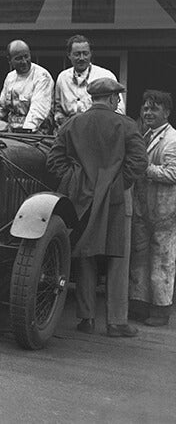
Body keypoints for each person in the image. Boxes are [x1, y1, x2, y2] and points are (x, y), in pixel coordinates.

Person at [47, 78, 147, 338]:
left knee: (86, 257)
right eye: (117, 97)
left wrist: (75, 181)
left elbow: (54, 159)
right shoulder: (126, 125)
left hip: (81, 200)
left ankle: (86, 319)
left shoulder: (73, 123)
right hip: (115, 200)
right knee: (118, 260)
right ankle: (116, 322)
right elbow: (138, 162)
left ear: (93, 98)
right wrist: (117, 185)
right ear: (113, 98)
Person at [129, 91, 176, 327]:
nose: (148, 113)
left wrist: (145, 168)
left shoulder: (172, 139)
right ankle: (138, 304)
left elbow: (173, 173)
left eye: (154, 109)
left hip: (164, 210)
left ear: (166, 112)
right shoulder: (144, 135)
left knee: (162, 259)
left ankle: (160, 309)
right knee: (139, 257)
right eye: (145, 108)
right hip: (142, 207)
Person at [53, 35, 124, 126]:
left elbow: (120, 111)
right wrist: (62, 121)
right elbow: (58, 109)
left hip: (99, 129)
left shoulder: (106, 76)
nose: (82, 58)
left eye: (85, 53)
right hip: (70, 131)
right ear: (69, 55)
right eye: (77, 54)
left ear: (91, 54)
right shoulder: (62, 78)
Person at [0, 40, 53, 132]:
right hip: (12, 131)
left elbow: (38, 110)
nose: (24, 61)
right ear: (9, 60)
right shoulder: (10, 77)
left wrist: (26, 130)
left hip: (36, 133)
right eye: (18, 58)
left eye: (26, 56)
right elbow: (1, 106)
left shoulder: (42, 76)